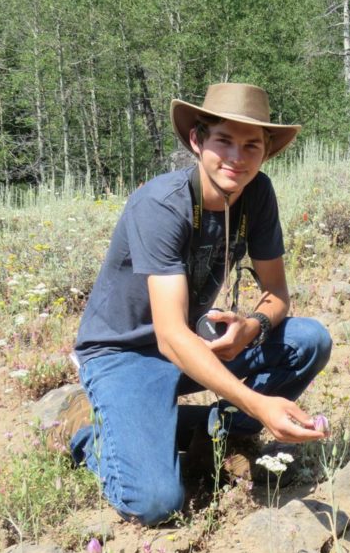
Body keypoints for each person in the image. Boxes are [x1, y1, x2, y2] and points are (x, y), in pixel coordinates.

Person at [59, 83, 332, 525]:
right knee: (155, 503)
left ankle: (223, 436)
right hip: (125, 354)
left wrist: (253, 327)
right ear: (197, 141)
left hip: (190, 344)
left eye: (251, 146)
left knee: (309, 339)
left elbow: (278, 294)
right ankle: (89, 434)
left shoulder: (257, 195)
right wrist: (257, 403)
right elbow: (168, 337)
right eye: (223, 141)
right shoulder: (162, 206)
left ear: (265, 153)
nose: (237, 159)